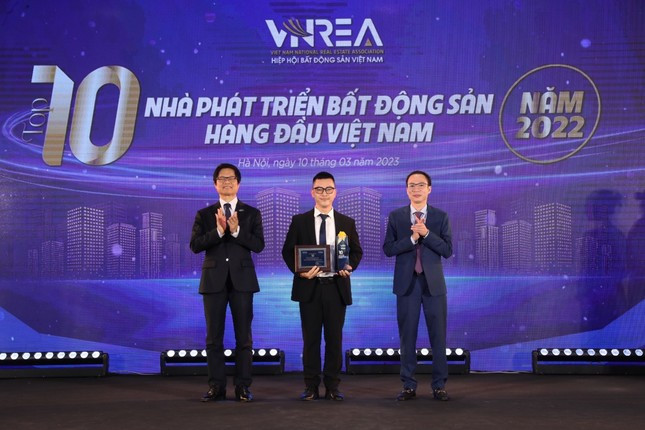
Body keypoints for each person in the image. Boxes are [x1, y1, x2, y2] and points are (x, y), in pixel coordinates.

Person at [282, 171, 362, 401]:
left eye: (328, 189)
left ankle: (333, 386)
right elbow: (288, 251)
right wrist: (300, 271)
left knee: (334, 340)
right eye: (319, 189)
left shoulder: (347, 222)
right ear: (312, 192)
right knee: (311, 340)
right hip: (310, 287)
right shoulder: (300, 221)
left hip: (336, 287)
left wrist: (350, 266)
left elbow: (356, 252)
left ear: (335, 192)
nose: (324, 193)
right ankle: (311, 386)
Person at [190, 163, 264, 402]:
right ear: (215, 184)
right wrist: (220, 232)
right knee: (213, 338)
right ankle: (216, 386)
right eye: (222, 179)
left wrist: (237, 230)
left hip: (243, 282)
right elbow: (195, 245)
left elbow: (258, 245)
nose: (227, 182)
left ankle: (243, 387)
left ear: (238, 183)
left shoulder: (251, 213)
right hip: (213, 282)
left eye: (231, 178)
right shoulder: (204, 214)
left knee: (244, 338)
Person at [383, 170, 452, 401]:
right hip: (407, 284)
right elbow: (389, 249)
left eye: (420, 185)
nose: (416, 189)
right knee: (407, 337)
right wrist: (412, 239)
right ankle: (408, 385)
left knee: (438, 337)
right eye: (412, 185)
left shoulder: (441, 217)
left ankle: (439, 385)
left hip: (434, 285)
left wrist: (427, 234)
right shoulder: (396, 216)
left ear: (429, 189)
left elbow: (447, 250)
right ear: (407, 190)